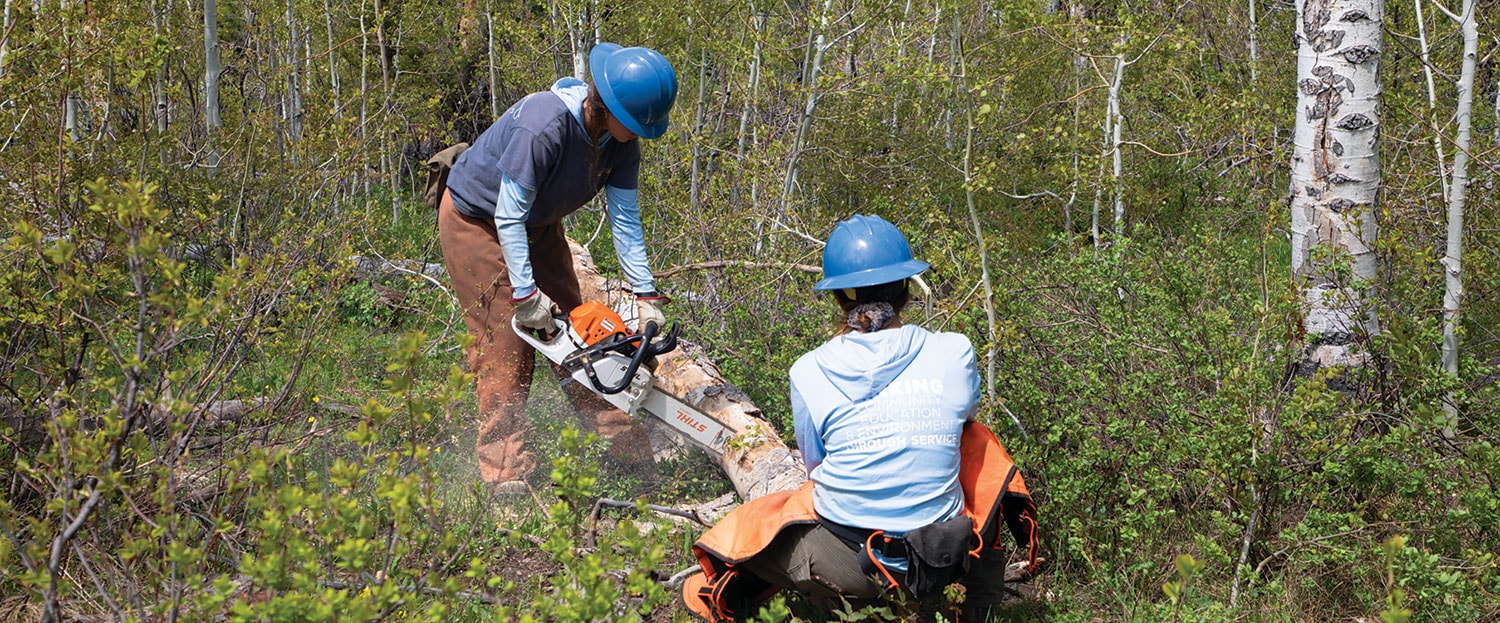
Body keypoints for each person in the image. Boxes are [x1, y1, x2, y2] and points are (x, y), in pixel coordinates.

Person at [679, 215, 1039, 622]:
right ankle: (980, 604)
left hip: (849, 563)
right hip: (946, 553)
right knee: (978, 445)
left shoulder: (808, 370)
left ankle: (728, 596)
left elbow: (816, 468)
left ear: (838, 297)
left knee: (752, 537)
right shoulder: (954, 352)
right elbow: (964, 418)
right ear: (906, 288)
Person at [437, 43, 678, 491]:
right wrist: (526, 298)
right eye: (635, 126)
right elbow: (507, 214)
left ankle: (624, 453)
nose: (640, 136)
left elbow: (625, 219)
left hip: (538, 224)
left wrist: (645, 296)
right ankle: (504, 470)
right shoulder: (544, 124)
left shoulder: (622, 144)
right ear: (605, 107)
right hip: (479, 220)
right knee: (506, 342)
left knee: (586, 331)